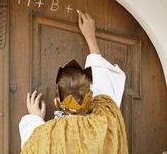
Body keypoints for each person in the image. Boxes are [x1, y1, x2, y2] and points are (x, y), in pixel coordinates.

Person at [19, 11, 128, 154]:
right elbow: (105, 83)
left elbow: (31, 144)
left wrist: (34, 118)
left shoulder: (41, 136)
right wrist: (91, 38)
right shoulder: (105, 122)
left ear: (57, 102)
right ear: (91, 97)